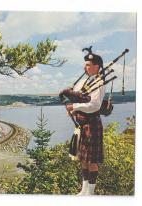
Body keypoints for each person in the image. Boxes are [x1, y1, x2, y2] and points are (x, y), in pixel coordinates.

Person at [65, 50, 105, 195]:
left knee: (92, 161)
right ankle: (84, 190)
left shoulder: (99, 82)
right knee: (83, 159)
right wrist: (71, 99)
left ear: (97, 66)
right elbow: (76, 97)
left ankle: (91, 193)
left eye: (88, 65)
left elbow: (95, 105)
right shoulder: (84, 81)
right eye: (85, 65)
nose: (85, 67)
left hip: (92, 124)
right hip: (82, 124)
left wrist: (74, 107)